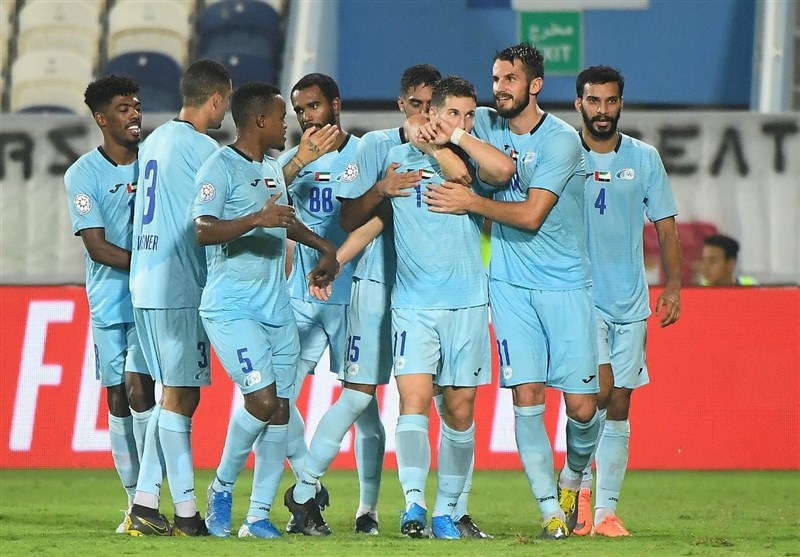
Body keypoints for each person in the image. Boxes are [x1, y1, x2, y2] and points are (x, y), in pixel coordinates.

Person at [424, 44, 601, 540]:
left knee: (583, 408)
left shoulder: (561, 141)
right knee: (527, 395)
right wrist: (434, 133)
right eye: (496, 78)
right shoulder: (482, 121)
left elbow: (530, 215)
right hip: (509, 285)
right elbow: (431, 120)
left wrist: (471, 201)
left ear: (535, 85)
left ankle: (573, 476)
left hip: (566, 284)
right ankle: (550, 512)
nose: (499, 88)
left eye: (510, 79)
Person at [329, 64, 494, 539]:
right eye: (451, 113)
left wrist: (439, 145)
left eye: (468, 115)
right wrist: (336, 259)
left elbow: (465, 179)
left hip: (467, 302)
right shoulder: (395, 159)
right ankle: (415, 507)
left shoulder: (473, 158)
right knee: (413, 403)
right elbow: (365, 220)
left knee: (459, 412)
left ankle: (449, 510)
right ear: (430, 111)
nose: (461, 122)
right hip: (413, 305)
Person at [194, 82, 339, 539]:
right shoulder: (219, 167)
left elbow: (284, 221)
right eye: (281, 117)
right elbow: (202, 228)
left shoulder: (273, 168)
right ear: (260, 121)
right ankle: (221, 488)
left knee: (279, 411)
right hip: (232, 308)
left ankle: (257, 517)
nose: (287, 125)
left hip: (276, 307)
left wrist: (324, 247)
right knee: (261, 400)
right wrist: (255, 219)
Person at [572, 65, 681, 537]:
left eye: (610, 101)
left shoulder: (644, 158)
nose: (602, 110)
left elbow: (666, 226)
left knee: (619, 403)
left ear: (621, 104)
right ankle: (576, 491)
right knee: (596, 392)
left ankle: (605, 513)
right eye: (593, 101)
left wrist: (673, 286)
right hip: (581, 298)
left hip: (631, 302)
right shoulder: (564, 153)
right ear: (579, 103)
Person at [125, 59, 233, 536]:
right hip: (179, 286)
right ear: (216, 98)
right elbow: (220, 212)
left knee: (171, 394)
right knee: (181, 396)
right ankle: (186, 513)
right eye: (227, 101)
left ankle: (146, 504)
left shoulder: (153, 142)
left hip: (144, 283)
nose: (226, 110)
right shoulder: (202, 148)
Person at [63, 75, 155, 533]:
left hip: (151, 299)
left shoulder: (156, 162)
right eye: (123, 108)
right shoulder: (83, 174)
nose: (134, 114)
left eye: (136, 105)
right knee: (118, 396)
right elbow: (97, 247)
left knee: (142, 390)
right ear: (101, 119)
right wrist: (151, 262)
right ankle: (133, 500)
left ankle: (149, 497)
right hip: (108, 299)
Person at [274, 74, 363, 535]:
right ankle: (308, 485)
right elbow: (264, 200)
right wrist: (298, 163)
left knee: (364, 403)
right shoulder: (292, 161)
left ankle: (367, 509)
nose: (307, 117)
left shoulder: (365, 153)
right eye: (300, 110)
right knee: (277, 397)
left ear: (336, 104)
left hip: (354, 296)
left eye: (314, 106)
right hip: (301, 296)